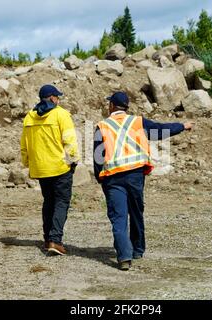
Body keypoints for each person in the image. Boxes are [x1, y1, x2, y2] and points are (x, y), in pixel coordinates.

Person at [94, 92, 194, 271]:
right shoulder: (137, 122)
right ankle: (138, 250)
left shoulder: (101, 126)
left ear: (111, 106)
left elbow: (97, 157)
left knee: (119, 217)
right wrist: (181, 126)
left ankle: (124, 257)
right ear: (125, 107)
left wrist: (99, 179)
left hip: (113, 178)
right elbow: (160, 130)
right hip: (135, 176)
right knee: (136, 212)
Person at [21, 84, 80, 256]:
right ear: (53, 98)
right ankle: (55, 240)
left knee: (48, 202)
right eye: (57, 97)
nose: (59, 100)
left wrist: (27, 163)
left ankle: (48, 239)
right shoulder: (61, 114)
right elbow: (70, 140)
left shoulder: (29, 117)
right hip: (60, 167)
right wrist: (74, 160)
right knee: (61, 202)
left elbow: (24, 145)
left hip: (40, 169)